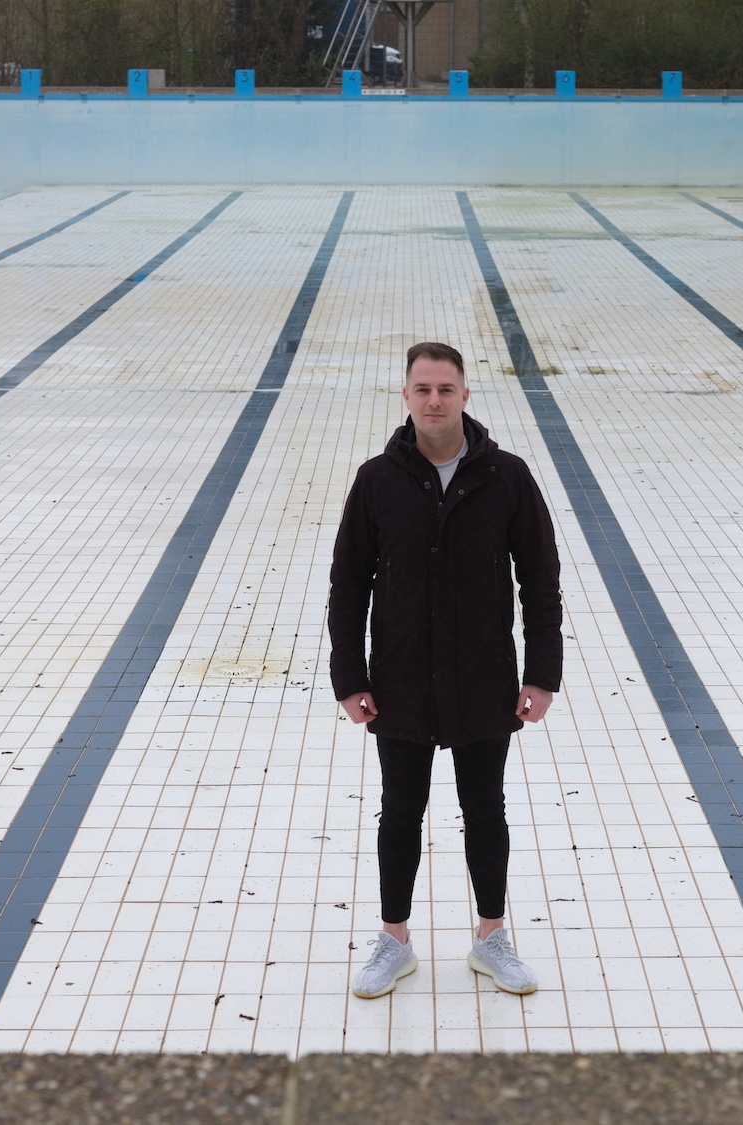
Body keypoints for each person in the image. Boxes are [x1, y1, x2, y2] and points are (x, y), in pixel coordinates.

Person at [328, 341, 563, 999]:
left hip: (485, 676)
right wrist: (350, 675)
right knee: (399, 811)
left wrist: (542, 672)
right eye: (422, 388)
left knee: (485, 807)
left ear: (465, 395)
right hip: (399, 678)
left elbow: (540, 579)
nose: (434, 400)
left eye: (445, 388)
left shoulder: (506, 476)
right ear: (405, 396)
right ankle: (393, 941)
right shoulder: (377, 479)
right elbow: (347, 585)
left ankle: (492, 937)